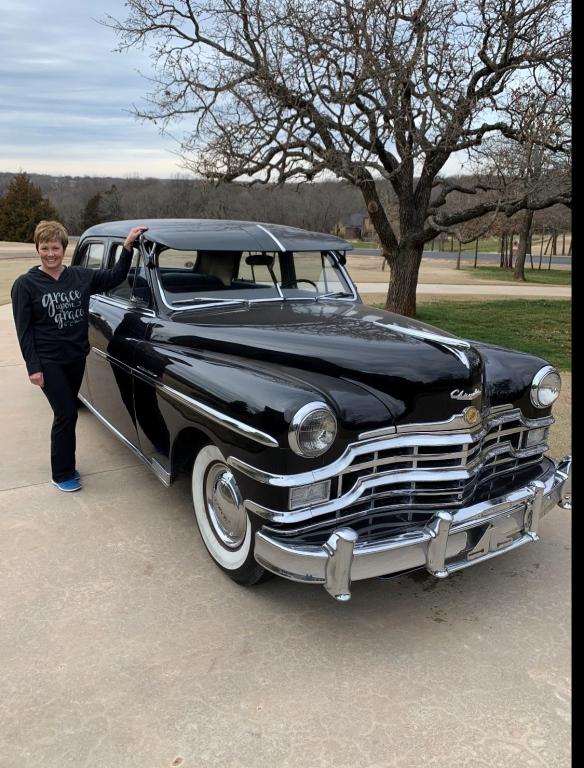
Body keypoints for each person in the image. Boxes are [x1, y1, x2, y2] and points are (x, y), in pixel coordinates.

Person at [11, 220, 148, 492]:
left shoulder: (80, 276)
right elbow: (24, 330)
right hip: (48, 362)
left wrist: (128, 247)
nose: (51, 254)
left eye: (56, 248)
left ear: (65, 248)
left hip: (75, 358)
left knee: (68, 413)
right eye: (45, 248)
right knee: (66, 414)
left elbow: (115, 276)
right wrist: (33, 367)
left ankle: (67, 465)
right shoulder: (25, 284)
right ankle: (61, 473)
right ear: (37, 248)